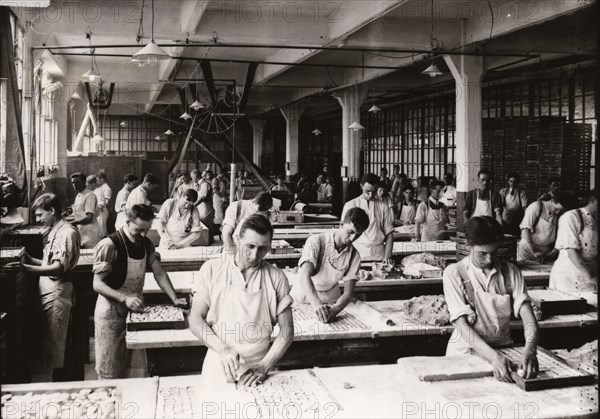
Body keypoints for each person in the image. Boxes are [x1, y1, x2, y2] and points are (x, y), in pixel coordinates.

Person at [189, 214, 294, 385]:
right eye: (250, 246)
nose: (255, 255)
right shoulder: (212, 269)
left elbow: (286, 332)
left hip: (260, 367)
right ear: (237, 239)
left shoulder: (277, 277)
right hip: (219, 361)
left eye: (263, 248)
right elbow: (195, 319)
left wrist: (264, 367)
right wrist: (222, 349)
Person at [93, 204, 187, 379]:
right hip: (110, 312)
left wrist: (174, 298)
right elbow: (97, 284)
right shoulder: (109, 245)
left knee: (134, 368)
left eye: (147, 230)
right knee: (110, 369)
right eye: (139, 230)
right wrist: (124, 298)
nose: (144, 235)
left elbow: (159, 272)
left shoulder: (146, 243)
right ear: (128, 222)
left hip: (135, 310)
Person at [443, 216, 539, 382]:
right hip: (466, 355)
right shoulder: (454, 273)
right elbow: (462, 326)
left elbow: (528, 317)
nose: (489, 260)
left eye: (494, 253)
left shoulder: (511, 272)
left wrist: (530, 347)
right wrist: (493, 357)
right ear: (469, 245)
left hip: (504, 352)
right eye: (482, 254)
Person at [5, 194, 80, 381]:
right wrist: (31, 259)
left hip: (58, 292)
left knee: (58, 346)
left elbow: (57, 268)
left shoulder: (67, 233)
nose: (38, 220)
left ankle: (62, 385)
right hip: (50, 290)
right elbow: (49, 262)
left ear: (52, 211)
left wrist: (26, 268)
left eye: (40, 215)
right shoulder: (55, 230)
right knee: (53, 345)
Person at [291, 207, 368, 323]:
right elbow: (304, 277)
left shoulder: (354, 256)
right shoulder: (316, 241)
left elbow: (348, 293)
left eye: (358, 235)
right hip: (303, 296)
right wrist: (317, 306)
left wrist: (334, 310)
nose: (352, 238)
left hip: (330, 299)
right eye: (351, 232)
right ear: (341, 224)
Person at [550, 189, 597, 294]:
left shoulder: (596, 220)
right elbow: (571, 253)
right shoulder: (571, 217)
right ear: (593, 200)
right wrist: (591, 277)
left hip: (593, 275)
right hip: (570, 276)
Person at [341, 173, 394, 263]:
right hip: (357, 253)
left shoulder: (383, 206)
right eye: (367, 191)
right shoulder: (350, 205)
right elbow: (344, 234)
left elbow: (389, 234)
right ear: (361, 186)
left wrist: (387, 256)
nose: (370, 195)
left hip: (379, 255)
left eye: (374, 191)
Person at [517, 195, 564, 264]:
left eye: (560, 210)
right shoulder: (536, 206)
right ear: (552, 201)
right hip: (528, 247)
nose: (557, 212)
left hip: (544, 250)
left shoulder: (557, 214)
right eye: (556, 209)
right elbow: (525, 230)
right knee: (526, 271)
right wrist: (534, 250)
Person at [68, 172, 103, 248]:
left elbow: (89, 217)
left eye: (77, 182)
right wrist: (67, 217)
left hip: (91, 232)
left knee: (91, 256)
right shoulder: (79, 195)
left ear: (84, 182)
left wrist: (74, 223)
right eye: (73, 183)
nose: (74, 185)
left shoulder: (90, 195)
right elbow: (79, 213)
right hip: (82, 232)